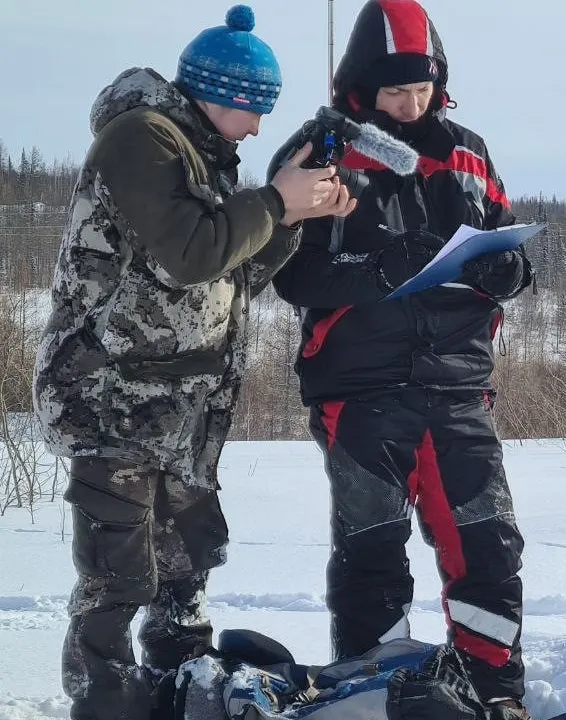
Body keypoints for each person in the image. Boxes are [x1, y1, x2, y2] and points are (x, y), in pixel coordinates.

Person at [31, 5, 356, 719]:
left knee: (188, 560)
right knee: (119, 579)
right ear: (223, 95)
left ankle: (183, 688)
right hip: (109, 399)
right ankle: (108, 706)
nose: (259, 129)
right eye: (254, 111)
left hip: (180, 410)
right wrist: (274, 198)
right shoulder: (141, 137)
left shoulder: (203, 155)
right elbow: (188, 256)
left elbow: (232, 276)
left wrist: (291, 217)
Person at [269, 1, 533, 717]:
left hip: (458, 385)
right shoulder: (323, 150)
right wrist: (383, 269)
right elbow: (291, 275)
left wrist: (511, 271)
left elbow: (506, 239)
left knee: (489, 547)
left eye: (421, 89)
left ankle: (493, 693)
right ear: (360, 84)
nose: (410, 104)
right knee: (371, 553)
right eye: (394, 92)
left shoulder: (469, 152)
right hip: (359, 388)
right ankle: (370, 694)